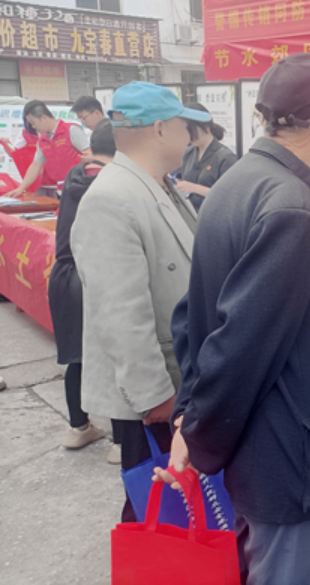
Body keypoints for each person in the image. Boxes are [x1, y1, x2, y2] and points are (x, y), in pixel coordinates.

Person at [155, 53, 310, 584]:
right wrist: (197, 434)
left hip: (258, 452)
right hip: (286, 460)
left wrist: (191, 416)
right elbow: (240, 344)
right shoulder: (291, 207)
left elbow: (193, 316)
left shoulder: (240, 180)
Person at [71, 82, 210, 521]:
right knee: (156, 504)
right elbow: (120, 315)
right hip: (155, 396)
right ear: (160, 129)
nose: (190, 136)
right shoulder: (111, 199)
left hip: (179, 380)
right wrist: (156, 398)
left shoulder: (157, 186)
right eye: (185, 126)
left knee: (178, 501)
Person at [49, 118, 123, 463]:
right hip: (95, 277)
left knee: (76, 356)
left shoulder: (75, 174)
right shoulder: (114, 181)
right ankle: (121, 441)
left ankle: (78, 427)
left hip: (63, 275)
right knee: (116, 356)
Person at [3, 100, 91, 198]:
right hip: (61, 190)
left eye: (33, 122)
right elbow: (36, 165)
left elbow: (88, 154)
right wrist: (21, 188)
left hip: (79, 187)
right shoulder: (43, 140)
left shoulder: (71, 130)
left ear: (44, 118)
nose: (33, 127)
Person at [173, 102, 238, 211]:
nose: (189, 135)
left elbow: (231, 196)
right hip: (190, 215)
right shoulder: (187, 153)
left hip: (213, 216)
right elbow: (177, 176)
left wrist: (194, 188)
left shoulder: (226, 158)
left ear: (207, 127)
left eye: (192, 130)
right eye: (186, 131)